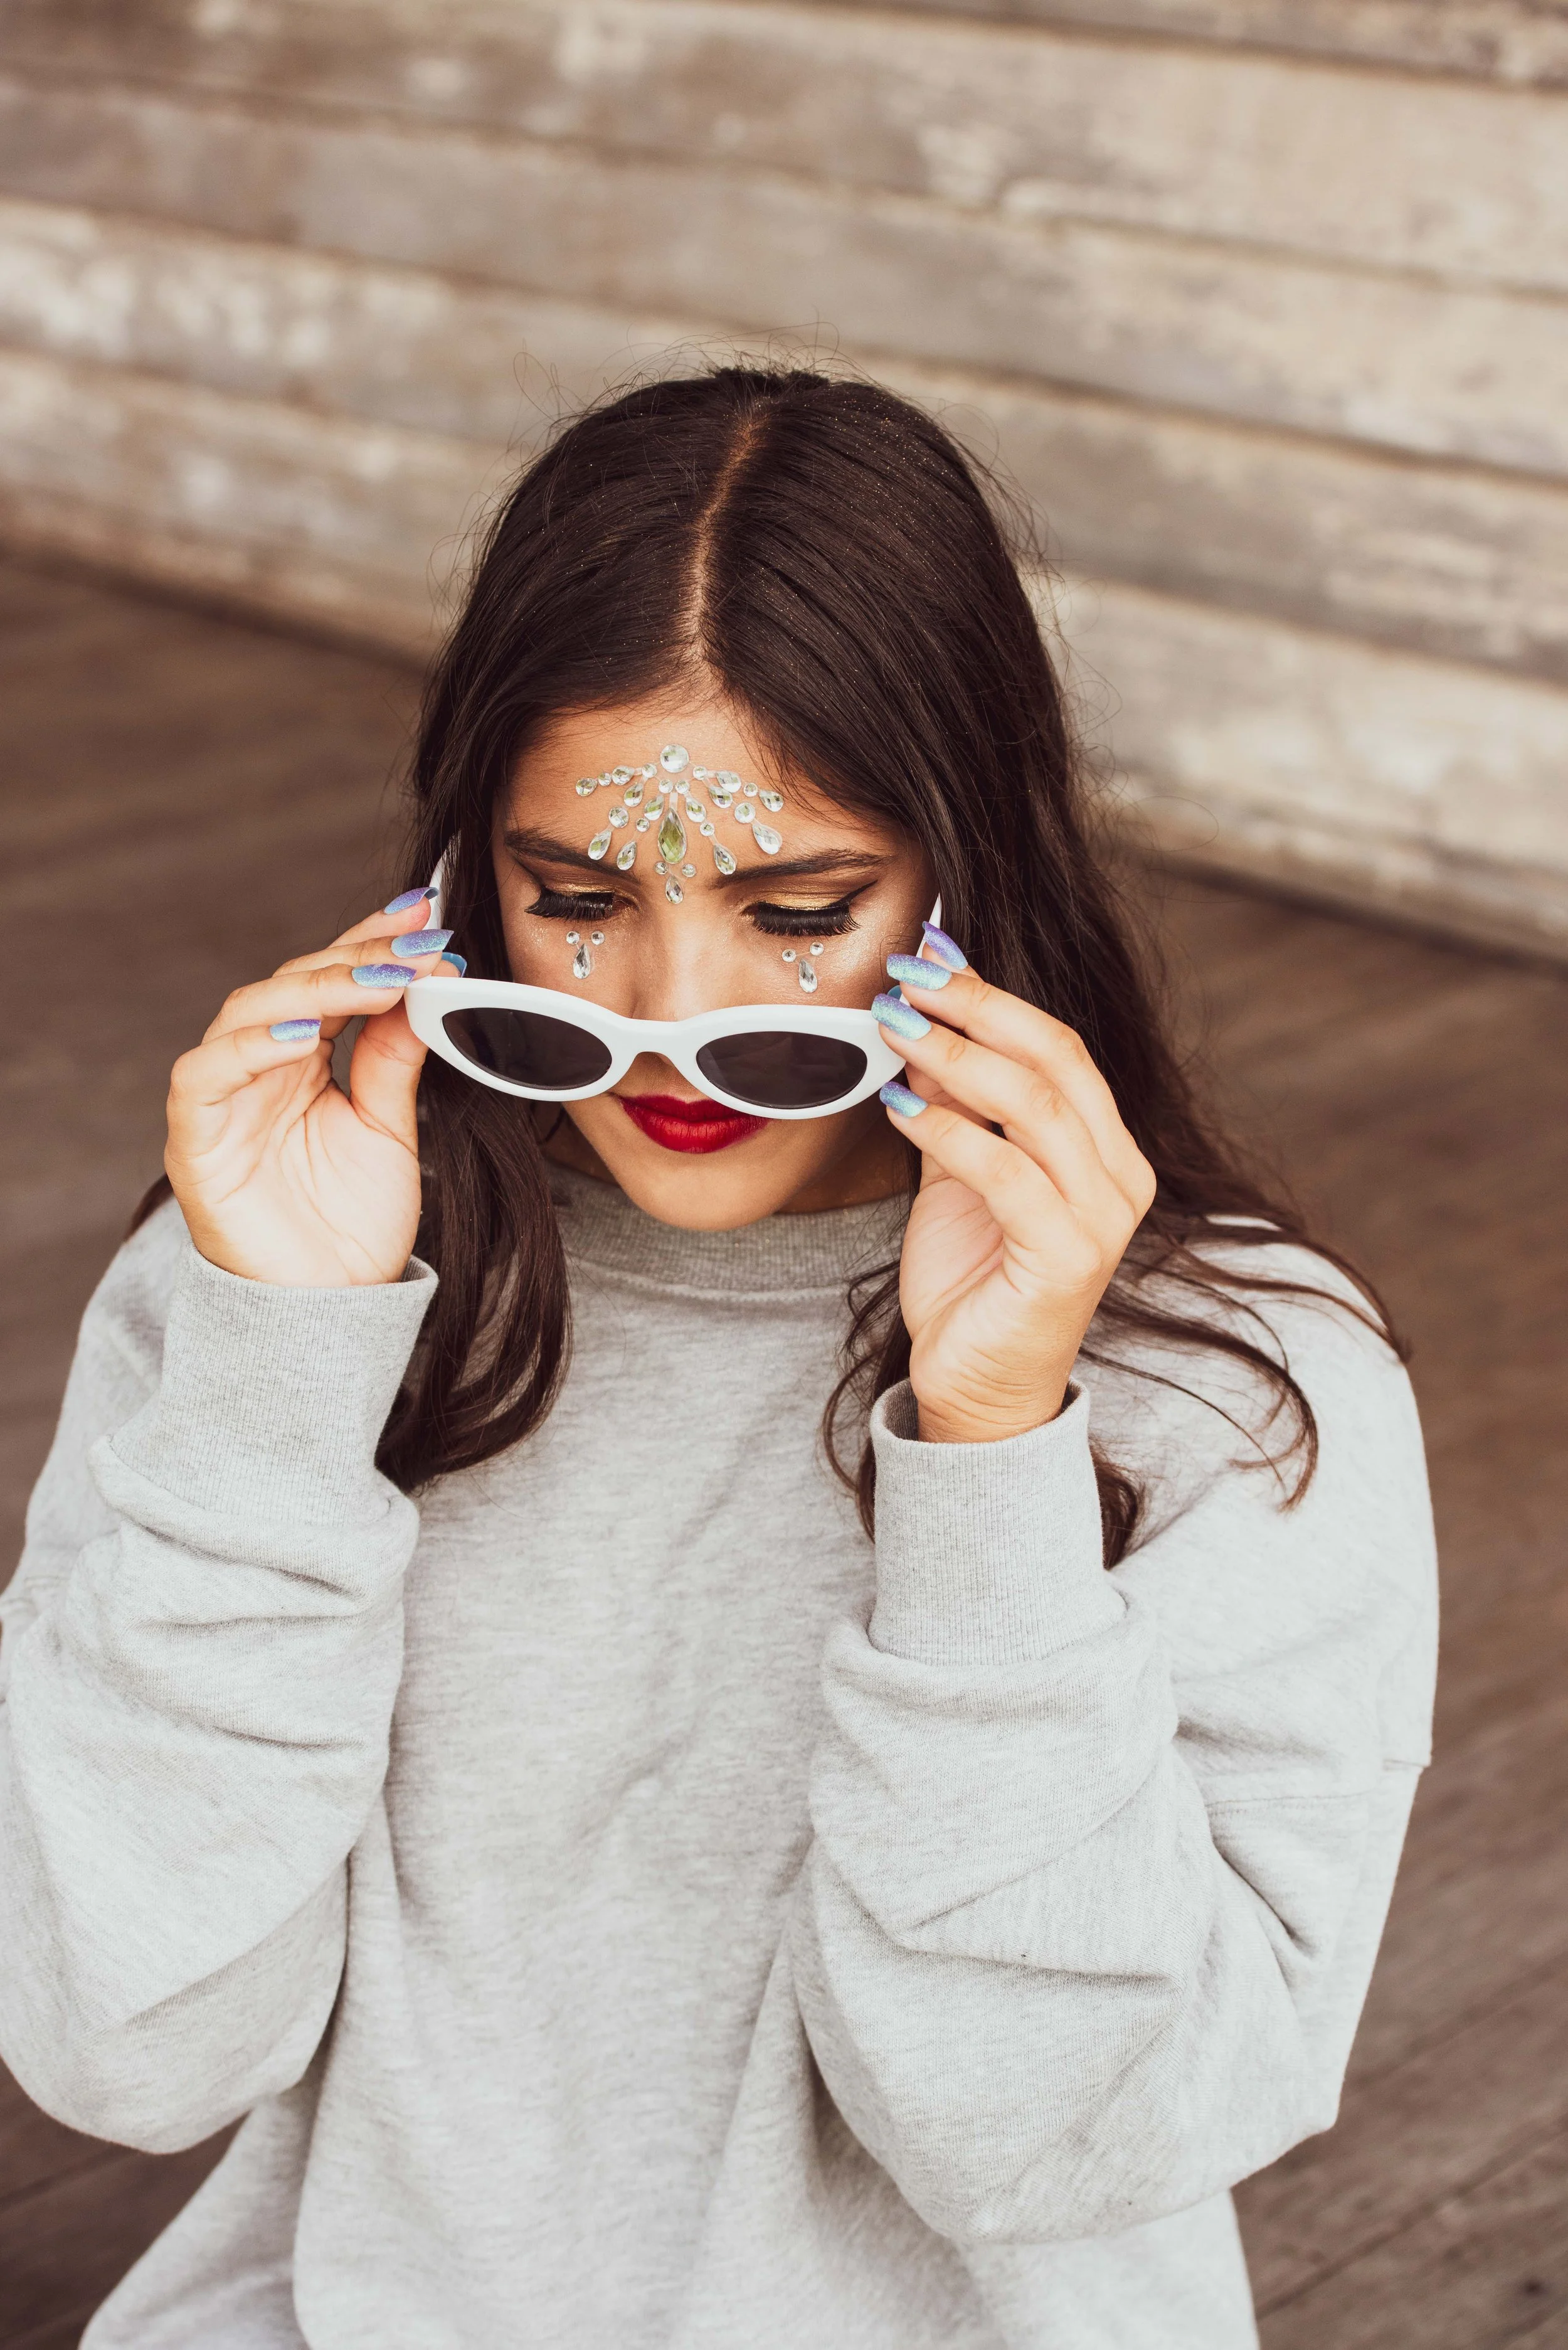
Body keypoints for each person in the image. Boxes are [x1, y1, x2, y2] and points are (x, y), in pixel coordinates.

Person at [0, 367, 1436, 2349]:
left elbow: (1061, 2151)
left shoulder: (1240, 1393)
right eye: (577, 902)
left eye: (800, 910)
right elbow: (124, 2050)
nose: (676, 1020)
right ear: (460, 886)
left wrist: (992, 1451)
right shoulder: (275, 1279)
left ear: (966, 875)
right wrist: (276, 1371)